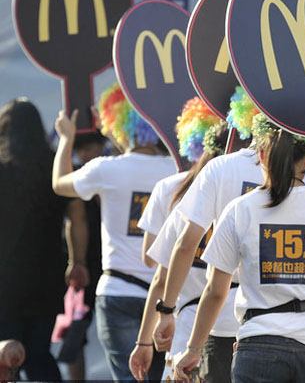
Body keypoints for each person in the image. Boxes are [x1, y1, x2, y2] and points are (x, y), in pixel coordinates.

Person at [173, 115, 305, 383]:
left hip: (259, 342)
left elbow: (214, 292)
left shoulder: (239, 209)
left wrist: (193, 350)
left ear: (260, 155)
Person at [52, 83, 176, 382]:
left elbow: (59, 183)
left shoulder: (107, 169)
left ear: (117, 125)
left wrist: (66, 139)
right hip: (166, 294)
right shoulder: (176, 168)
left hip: (119, 292)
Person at [153, 88, 266, 383]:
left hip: (221, 318)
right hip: (288, 323)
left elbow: (186, 244)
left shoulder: (220, 168)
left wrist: (166, 310)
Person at [129, 98, 225, 381]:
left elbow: (155, 267)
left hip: (186, 319)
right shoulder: (249, 190)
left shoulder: (173, 189)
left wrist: (144, 341)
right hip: (236, 320)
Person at [0, 98, 67, 381]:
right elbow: (76, 216)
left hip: (5, 281)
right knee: (39, 355)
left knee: (5, 361)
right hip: (47, 277)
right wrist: (77, 260)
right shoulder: (54, 166)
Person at [62, 130, 106, 381]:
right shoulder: (77, 176)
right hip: (84, 264)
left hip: (111, 263)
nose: (85, 154)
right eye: (80, 149)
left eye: (89, 147)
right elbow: (73, 221)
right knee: (74, 332)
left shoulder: (110, 171)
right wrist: (75, 261)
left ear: (101, 146)